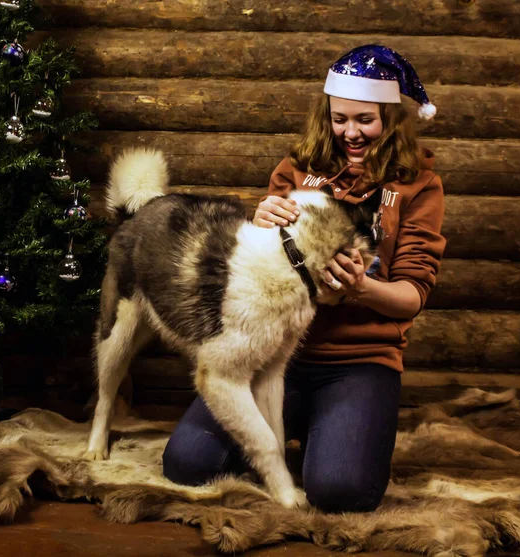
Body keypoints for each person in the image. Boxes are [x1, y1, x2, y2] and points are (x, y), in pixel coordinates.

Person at [162, 45, 446, 513]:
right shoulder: (298, 167)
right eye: (340, 119)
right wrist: (258, 223)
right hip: (273, 353)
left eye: (365, 120)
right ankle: (296, 426)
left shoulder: (419, 185)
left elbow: (412, 295)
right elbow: (252, 265)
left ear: (391, 119)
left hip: (358, 361)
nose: (350, 132)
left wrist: (363, 288)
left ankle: (330, 427)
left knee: (340, 491)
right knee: (189, 464)